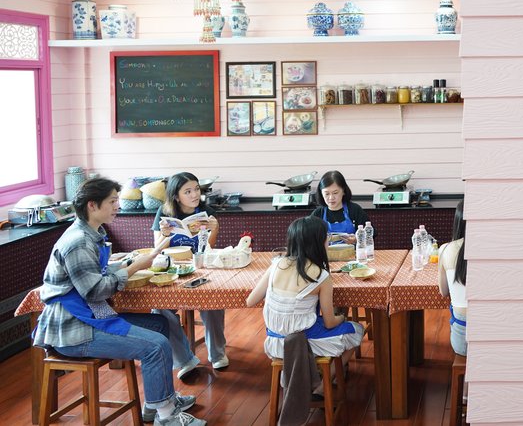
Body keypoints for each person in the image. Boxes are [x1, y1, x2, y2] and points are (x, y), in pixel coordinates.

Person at [33, 178, 204, 426]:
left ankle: (156, 403)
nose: (118, 206)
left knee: (160, 324)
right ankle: (167, 416)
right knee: (155, 346)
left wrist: (129, 263)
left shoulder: (90, 234)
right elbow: (95, 290)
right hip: (73, 330)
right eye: (113, 201)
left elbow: (96, 274)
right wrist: (133, 267)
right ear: (92, 205)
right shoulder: (78, 242)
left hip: (89, 317)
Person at [246, 216, 365, 359]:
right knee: (357, 330)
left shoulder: (276, 264)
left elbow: (250, 301)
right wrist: (342, 317)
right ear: (318, 243)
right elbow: (329, 323)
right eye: (326, 237)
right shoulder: (321, 276)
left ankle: (305, 370)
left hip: (275, 343)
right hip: (306, 343)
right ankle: (325, 374)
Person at [152, 171, 229, 373]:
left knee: (214, 301)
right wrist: (165, 235)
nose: (195, 194)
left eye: (196, 189)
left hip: (200, 268)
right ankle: (184, 360)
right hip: (173, 270)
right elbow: (156, 249)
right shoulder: (164, 212)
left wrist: (215, 229)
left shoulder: (206, 211)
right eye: (187, 191)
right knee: (160, 308)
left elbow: (208, 248)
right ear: (176, 196)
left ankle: (217, 354)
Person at [437, 199, 467, 356]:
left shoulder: (445, 249)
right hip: (495, 337)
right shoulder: (494, 249)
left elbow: (443, 292)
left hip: (462, 343)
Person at [309, 170, 370, 244]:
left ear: (343, 191)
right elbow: (308, 238)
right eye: (327, 194)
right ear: (321, 194)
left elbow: (370, 234)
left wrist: (357, 239)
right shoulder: (318, 214)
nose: (331, 198)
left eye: (335, 193)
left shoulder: (354, 209)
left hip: (352, 251)